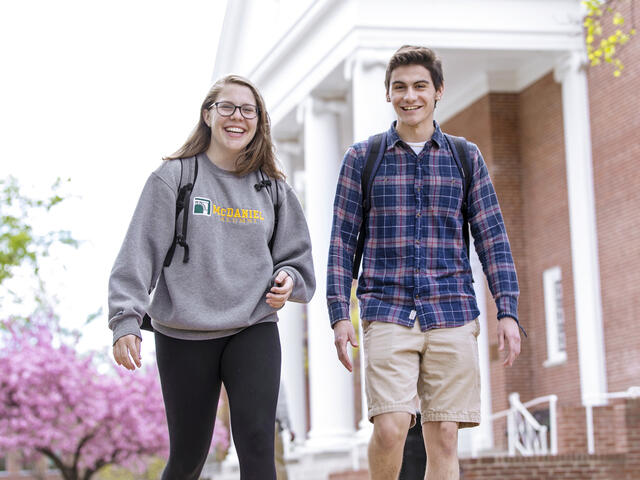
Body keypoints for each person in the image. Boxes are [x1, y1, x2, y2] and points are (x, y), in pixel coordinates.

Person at [327, 45, 522, 480]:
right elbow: (342, 243)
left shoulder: (464, 157)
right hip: (387, 308)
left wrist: (507, 310)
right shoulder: (363, 158)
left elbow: (492, 237)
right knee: (391, 426)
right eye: (399, 87)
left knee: (445, 435)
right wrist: (340, 314)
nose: (409, 95)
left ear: (438, 92)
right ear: (388, 94)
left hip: (451, 308)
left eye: (419, 86)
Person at [108, 74, 315, 480]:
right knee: (188, 457)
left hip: (252, 326)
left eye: (248, 110)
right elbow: (138, 253)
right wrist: (124, 320)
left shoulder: (271, 186)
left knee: (258, 446)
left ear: (259, 121)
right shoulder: (174, 179)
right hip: (184, 331)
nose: (237, 117)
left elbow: (295, 255)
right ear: (208, 115)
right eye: (227, 107)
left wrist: (288, 278)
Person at [274, 383, 294, 480]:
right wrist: (289, 428)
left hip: (266, 424)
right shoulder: (276, 382)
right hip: (273, 425)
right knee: (278, 461)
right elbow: (281, 406)